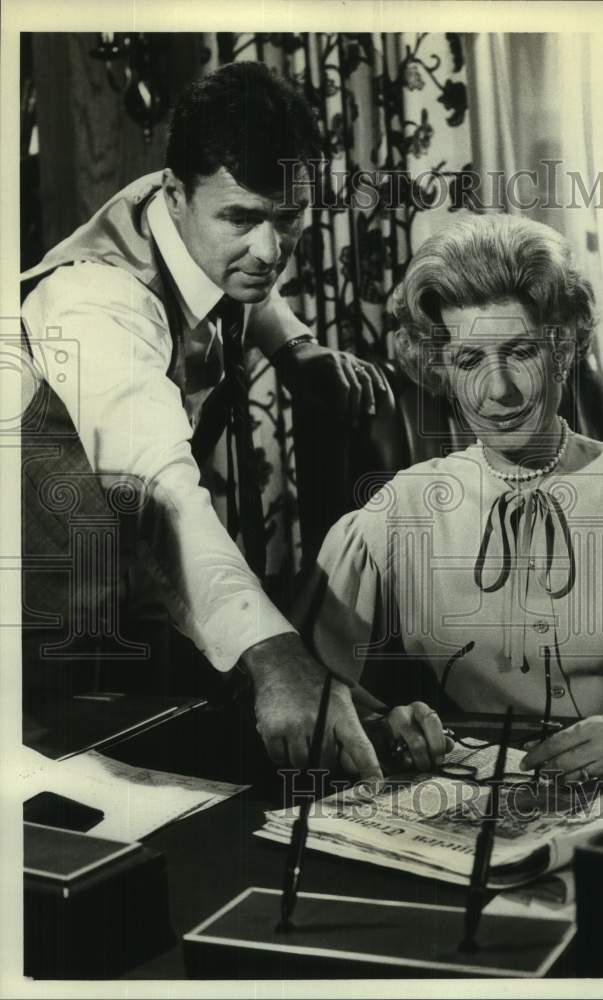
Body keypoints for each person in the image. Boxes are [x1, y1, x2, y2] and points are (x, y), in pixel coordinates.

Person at [20, 61, 385, 780]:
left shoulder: (181, 215)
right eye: (243, 219)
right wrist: (276, 657)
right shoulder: (96, 304)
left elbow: (244, 277)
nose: (270, 250)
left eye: (288, 218)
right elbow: (160, 494)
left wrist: (295, 346)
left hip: (109, 607)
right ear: (175, 194)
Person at [295, 213, 603, 781]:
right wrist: (385, 721)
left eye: (522, 352)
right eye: (469, 360)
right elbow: (301, 685)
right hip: (466, 806)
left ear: (563, 350)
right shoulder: (400, 511)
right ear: (442, 369)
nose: (498, 389)